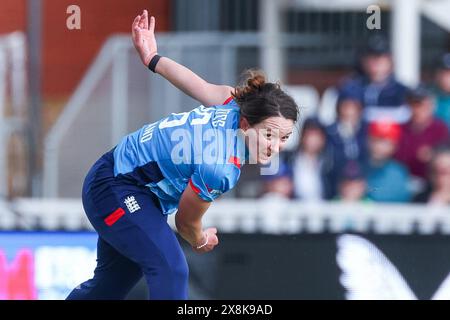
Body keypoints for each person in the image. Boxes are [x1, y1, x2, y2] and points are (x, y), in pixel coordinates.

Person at [66, 10, 298, 300]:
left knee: (111, 284)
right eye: (269, 135)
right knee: (171, 269)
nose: (276, 146)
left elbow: (195, 84)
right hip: (114, 187)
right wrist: (200, 240)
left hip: (121, 183)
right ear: (245, 124)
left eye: (284, 138)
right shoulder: (221, 166)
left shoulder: (235, 102)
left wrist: (153, 58)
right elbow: (186, 223)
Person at [338, 34, 409, 124]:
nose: (376, 61)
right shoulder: (351, 90)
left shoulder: (403, 91)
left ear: (390, 60)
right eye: (371, 57)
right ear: (363, 61)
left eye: (381, 56)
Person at [395, 85, 449, 182]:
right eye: (415, 104)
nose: (419, 109)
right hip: (404, 180)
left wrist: (433, 155)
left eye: (423, 104)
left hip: (431, 181)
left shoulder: (441, 128)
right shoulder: (400, 129)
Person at [365, 120, 411, 202]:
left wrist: (369, 191)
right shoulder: (356, 168)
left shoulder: (399, 172)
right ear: (368, 141)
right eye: (376, 140)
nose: (379, 146)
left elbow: (401, 198)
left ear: (394, 146)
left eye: (386, 143)